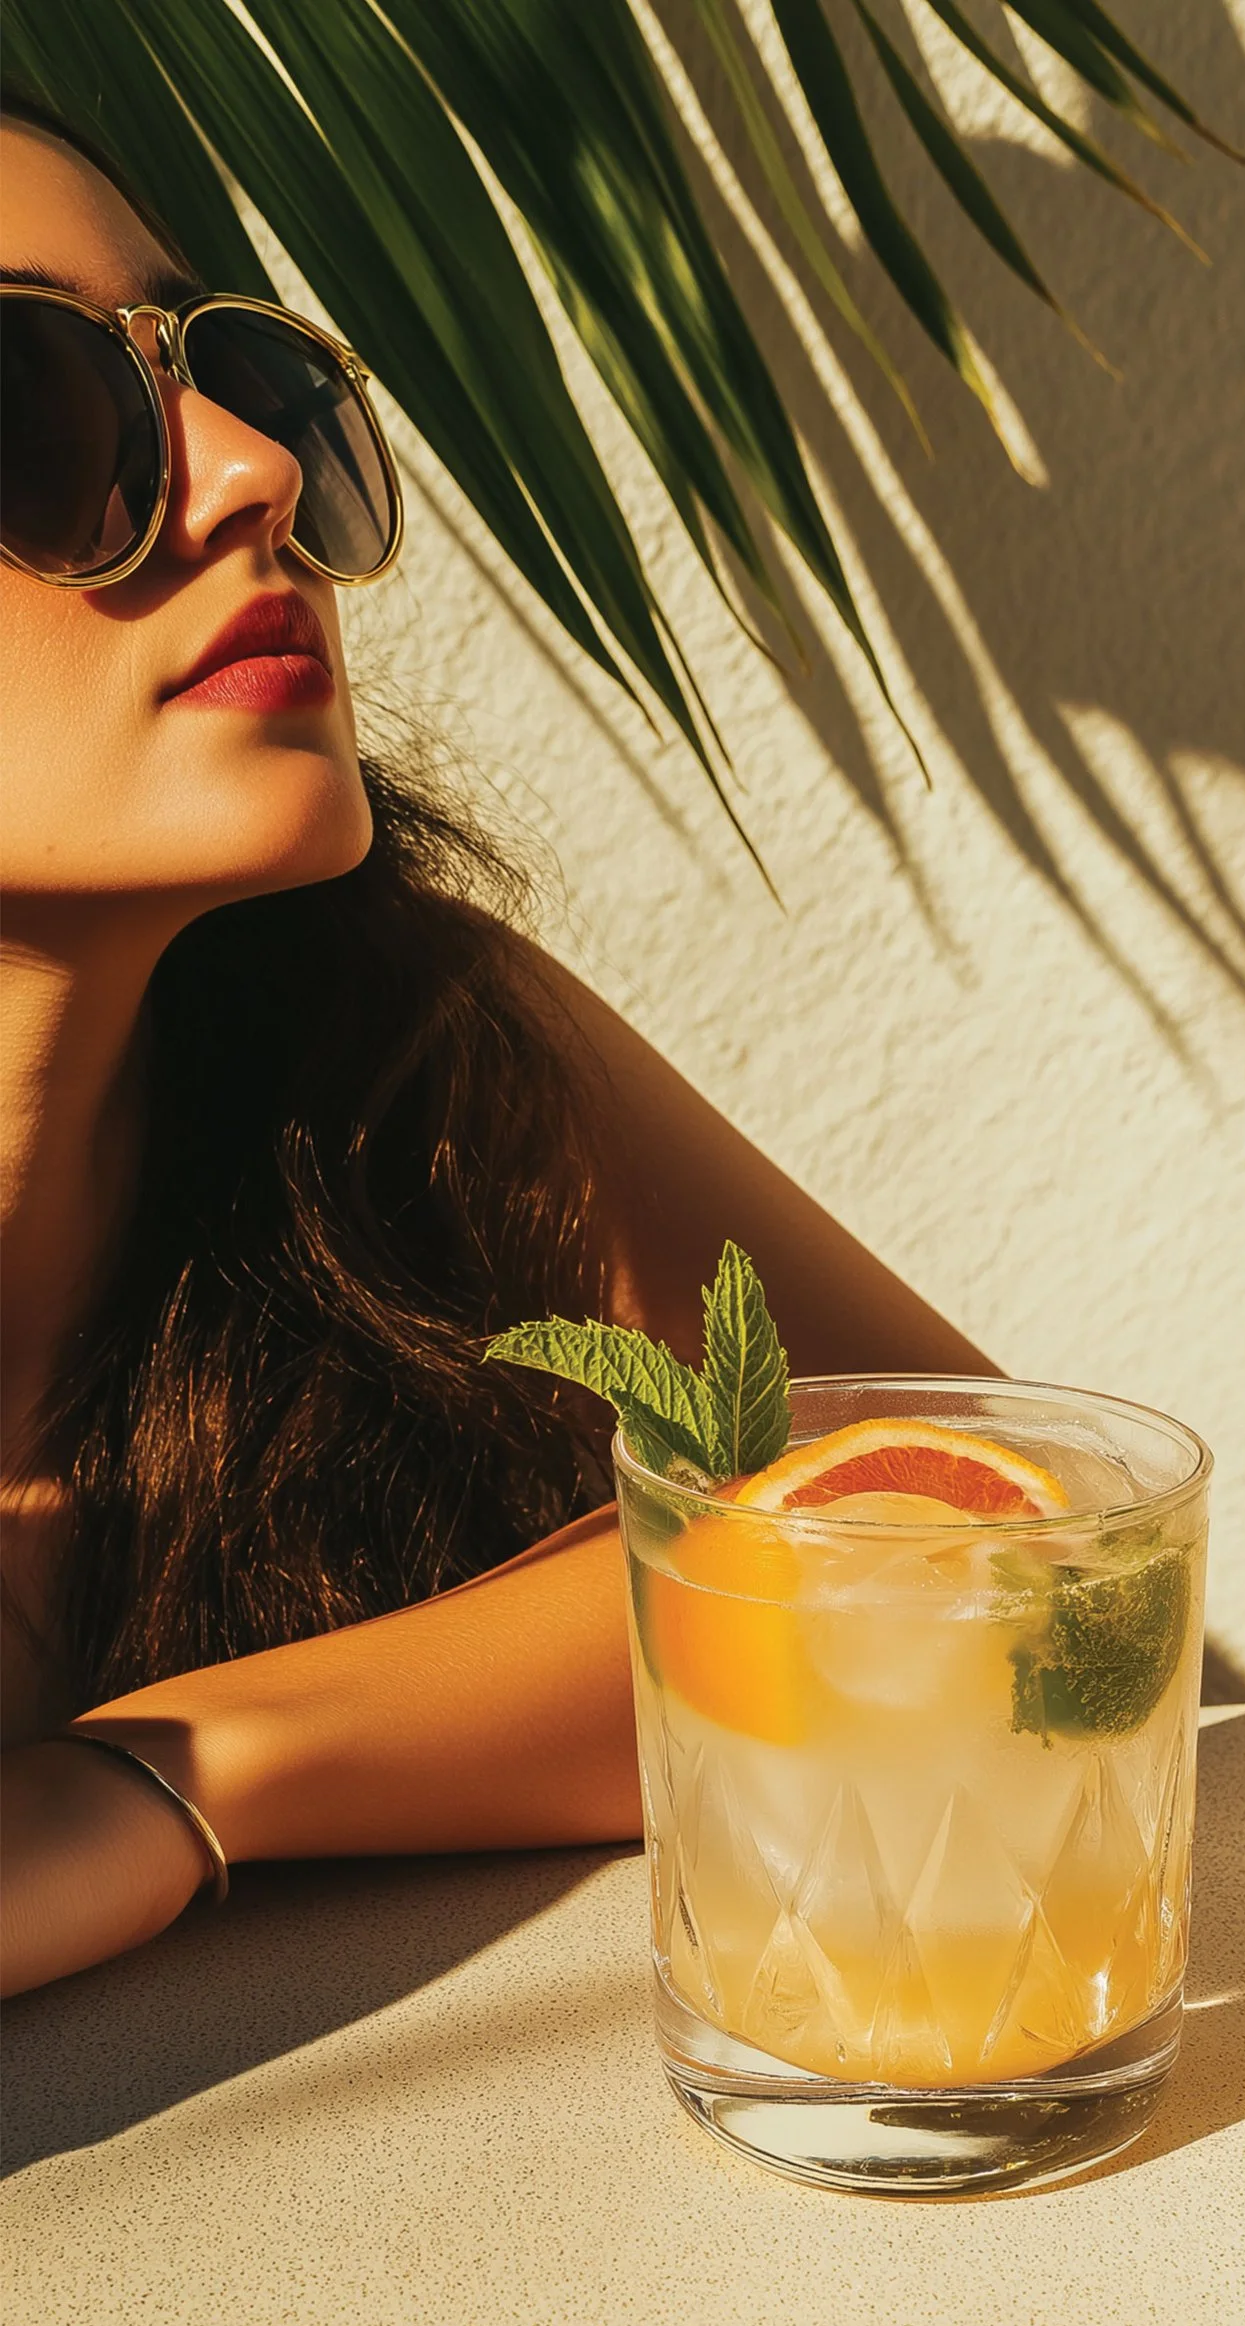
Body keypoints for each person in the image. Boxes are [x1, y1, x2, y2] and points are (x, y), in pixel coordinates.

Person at [0, 110, 986, 1997]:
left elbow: (977, 1535)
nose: (251, 470)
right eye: (29, 406)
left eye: (248, 373)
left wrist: (168, 1782)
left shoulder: (384, 1058)